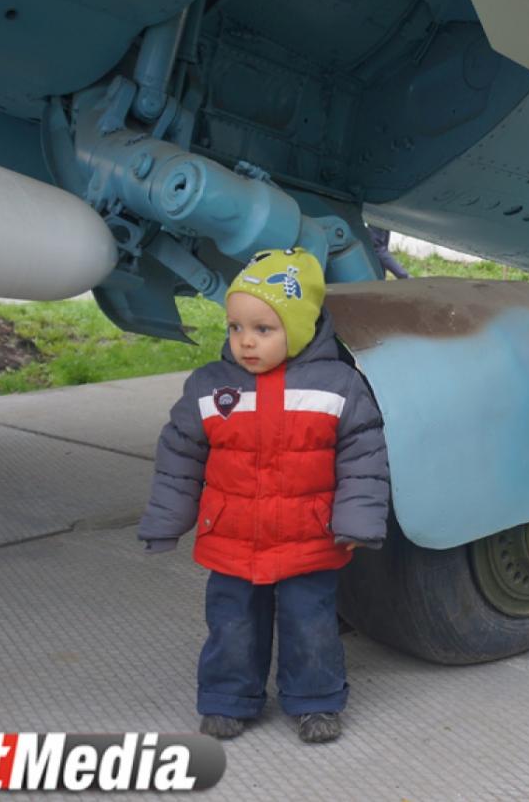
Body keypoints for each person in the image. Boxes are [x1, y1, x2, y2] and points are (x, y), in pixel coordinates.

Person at [138, 248, 391, 744]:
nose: (245, 342)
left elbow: (363, 457)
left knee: (311, 625)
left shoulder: (338, 386)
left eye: (262, 329)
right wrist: (166, 519)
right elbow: (179, 454)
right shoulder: (211, 388)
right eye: (236, 328)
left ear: (297, 329)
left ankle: (315, 700)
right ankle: (229, 698)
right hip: (234, 538)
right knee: (232, 624)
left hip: (308, 538)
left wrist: (357, 522)